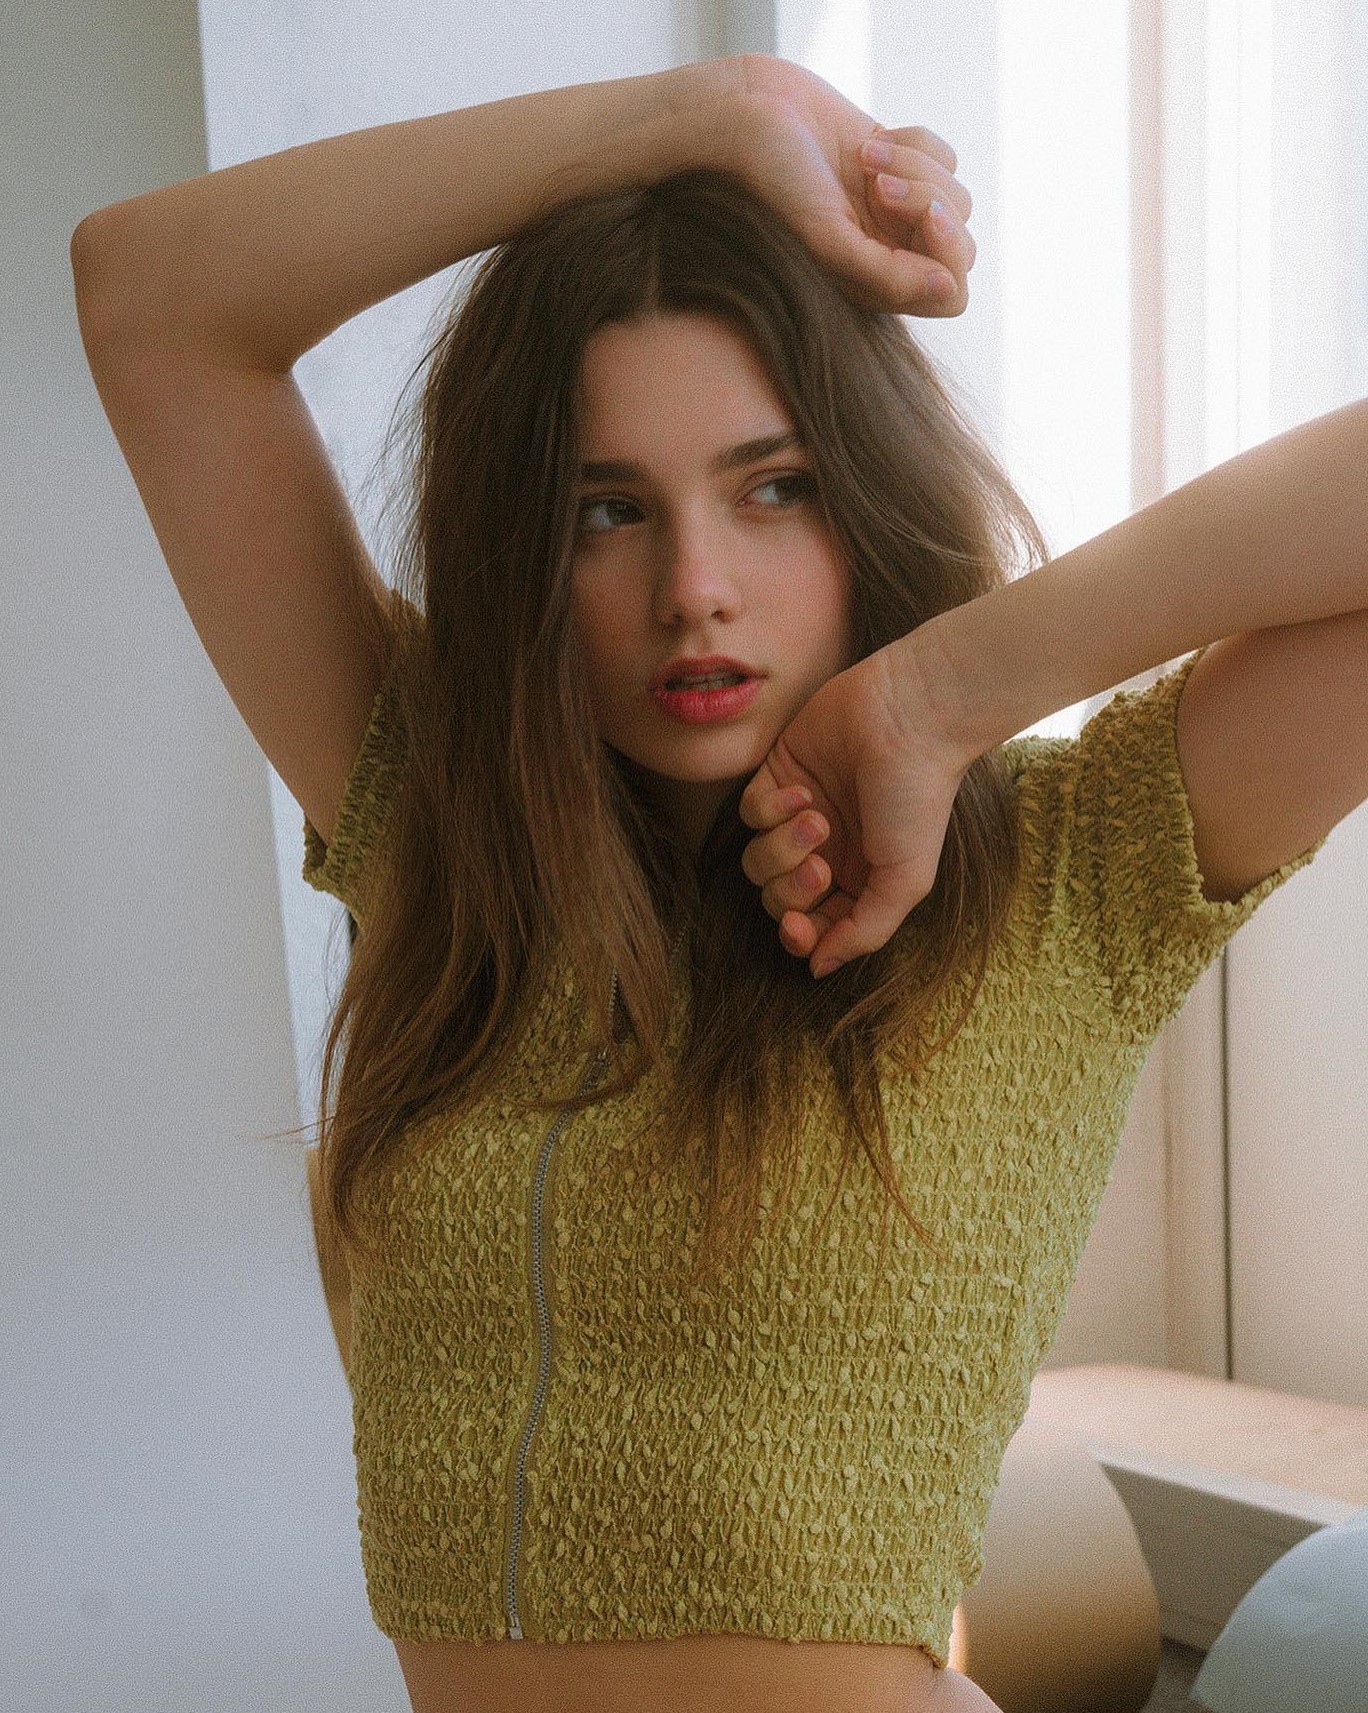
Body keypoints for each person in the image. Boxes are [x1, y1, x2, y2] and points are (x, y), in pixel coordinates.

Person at [71, 50, 1353, 1713]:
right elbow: (151, 300)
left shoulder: (1066, 876)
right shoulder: (442, 841)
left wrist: (940, 692)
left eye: (774, 488)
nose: (695, 586)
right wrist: (695, 118)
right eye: (607, 511)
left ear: (866, 490)